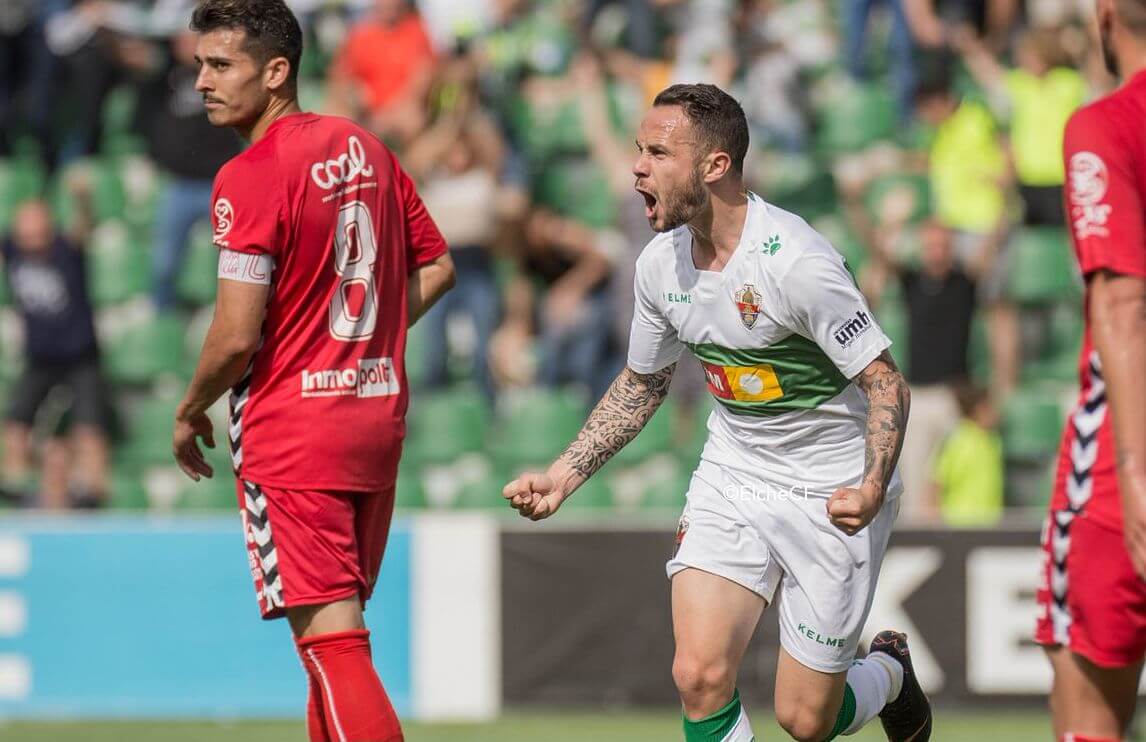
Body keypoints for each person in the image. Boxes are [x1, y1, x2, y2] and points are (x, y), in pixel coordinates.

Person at [502, 83, 932, 742]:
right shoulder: (658, 266)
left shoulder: (796, 262)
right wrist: (563, 475)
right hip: (735, 474)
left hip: (832, 488)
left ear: (715, 165)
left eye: (658, 152)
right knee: (699, 677)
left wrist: (872, 485)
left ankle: (889, 673)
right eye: (637, 150)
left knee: (807, 719)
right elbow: (643, 384)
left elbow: (885, 384)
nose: (637, 167)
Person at [171, 2, 454, 741]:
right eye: (200, 63)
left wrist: (189, 407)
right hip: (373, 420)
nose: (201, 80)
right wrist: (360, 347)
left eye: (220, 65)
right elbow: (439, 266)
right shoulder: (365, 146)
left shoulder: (249, 174)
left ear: (276, 72)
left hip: (295, 434)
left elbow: (236, 336)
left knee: (335, 646)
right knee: (326, 650)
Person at [1035, 0, 1146, 739]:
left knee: (1087, 711)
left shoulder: (1104, 125)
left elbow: (1124, 306)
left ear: (1106, 15)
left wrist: (1137, 473)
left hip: (1122, 454)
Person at [1, 177, 111, 510]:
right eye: (25, 226)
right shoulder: (13, 249)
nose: (31, 233)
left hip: (80, 354)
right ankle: (15, 486)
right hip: (41, 356)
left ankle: (93, 490)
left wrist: (82, 200)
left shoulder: (66, 248)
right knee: (16, 421)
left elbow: (84, 227)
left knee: (89, 423)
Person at [928, 382, 1003, 526]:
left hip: (990, 525)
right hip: (959, 526)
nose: (996, 412)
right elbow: (935, 483)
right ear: (979, 409)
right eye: (990, 407)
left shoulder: (993, 440)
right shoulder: (957, 439)